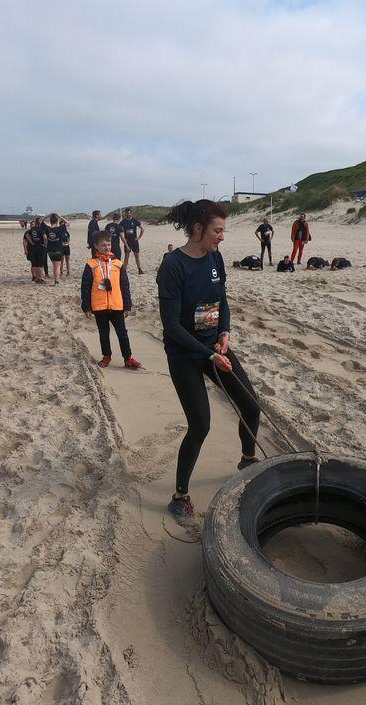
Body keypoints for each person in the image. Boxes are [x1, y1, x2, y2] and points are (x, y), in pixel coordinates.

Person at [157, 200, 261, 519]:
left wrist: (225, 332)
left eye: (223, 231)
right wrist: (209, 354)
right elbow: (171, 325)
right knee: (200, 424)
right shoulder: (173, 266)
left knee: (251, 406)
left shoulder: (215, 257)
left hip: (215, 346)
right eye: (217, 231)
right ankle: (180, 495)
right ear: (199, 229)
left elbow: (222, 301)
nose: (221, 237)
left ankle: (247, 460)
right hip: (186, 354)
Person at [81, 230, 142, 369]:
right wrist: (86, 307)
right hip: (99, 306)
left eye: (109, 244)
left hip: (116, 305)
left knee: (123, 334)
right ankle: (106, 356)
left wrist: (127, 305)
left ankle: (128, 358)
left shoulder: (118, 264)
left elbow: (124, 285)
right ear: (96, 246)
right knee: (104, 334)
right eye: (103, 245)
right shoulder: (91, 264)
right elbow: (85, 286)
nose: (107, 247)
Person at [119, 208, 144, 274]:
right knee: (126, 257)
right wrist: (123, 238)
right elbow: (119, 230)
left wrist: (139, 237)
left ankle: (139, 269)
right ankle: (124, 271)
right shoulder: (123, 222)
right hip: (127, 242)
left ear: (131, 213)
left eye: (129, 213)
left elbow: (142, 229)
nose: (128, 214)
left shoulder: (135, 221)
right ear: (125, 213)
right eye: (127, 213)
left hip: (134, 241)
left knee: (137, 255)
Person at [45, 213, 66, 286]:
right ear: (57, 221)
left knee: (54, 266)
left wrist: (48, 215)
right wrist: (59, 216)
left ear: (50, 221)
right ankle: (56, 281)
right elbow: (67, 223)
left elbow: (40, 221)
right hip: (58, 250)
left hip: (50, 250)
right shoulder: (60, 228)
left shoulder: (47, 229)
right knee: (57, 266)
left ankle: (56, 279)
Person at [25, 217, 47, 283]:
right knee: (40, 264)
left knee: (35, 264)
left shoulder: (30, 230)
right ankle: (39, 278)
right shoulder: (41, 230)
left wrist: (32, 242)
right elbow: (45, 238)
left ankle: (36, 278)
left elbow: (27, 235)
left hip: (33, 249)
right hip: (40, 248)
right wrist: (45, 245)